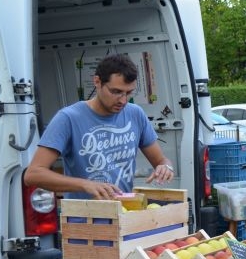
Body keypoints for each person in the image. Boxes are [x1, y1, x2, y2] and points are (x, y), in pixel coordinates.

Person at [24, 54, 174, 199]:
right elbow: (33, 174)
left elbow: (161, 161)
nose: (123, 100)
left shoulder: (135, 114)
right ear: (97, 82)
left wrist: (166, 168)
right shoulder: (68, 118)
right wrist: (85, 185)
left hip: (122, 215)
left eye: (129, 93)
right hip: (84, 220)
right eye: (116, 92)